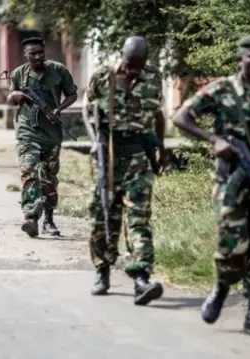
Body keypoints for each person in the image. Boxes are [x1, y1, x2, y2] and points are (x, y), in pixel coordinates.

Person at [172, 34, 250, 338]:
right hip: (231, 180)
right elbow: (180, 117)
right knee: (232, 244)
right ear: (241, 58)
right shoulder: (222, 90)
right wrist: (214, 139)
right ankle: (221, 288)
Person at [83, 36, 166, 305]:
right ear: (122, 55)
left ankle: (141, 278)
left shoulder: (153, 78)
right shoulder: (103, 77)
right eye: (131, 64)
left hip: (138, 156)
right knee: (104, 213)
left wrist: (160, 146)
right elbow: (87, 110)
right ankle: (102, 270)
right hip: (108, 154)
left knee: (139, 217)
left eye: (139, 66)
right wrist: (95, 139)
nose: (134, 71)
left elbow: (157, 115)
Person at [6, 37, 78, 238]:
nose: (38, 56)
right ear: (26, 55)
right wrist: (16, 95)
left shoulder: (58, 70)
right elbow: (10, 98)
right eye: (33, 53)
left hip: (52, 134)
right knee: (30, 170)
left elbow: (72, 94)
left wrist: (58, 108)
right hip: (27, 131)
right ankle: (30, 217)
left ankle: (48, 219)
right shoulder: (19, 74)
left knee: (48, 179)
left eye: (41, 52)